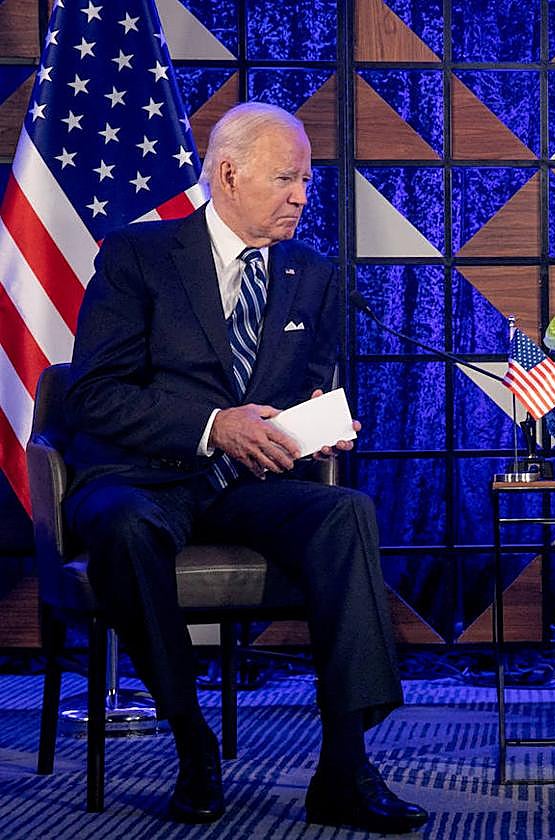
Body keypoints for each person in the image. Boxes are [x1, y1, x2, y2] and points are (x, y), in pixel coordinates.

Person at [63, 102, 428, 834]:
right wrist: (211, 426)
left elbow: (298, 394)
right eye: (287, 178)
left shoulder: (312, 273)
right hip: (142, 479)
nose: (302, 195)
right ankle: (191, 738)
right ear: (228, 174)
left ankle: (346, 766)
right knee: (124, 529)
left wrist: (312, 428)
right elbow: (93, 396)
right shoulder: (138, 257)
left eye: (306, 180)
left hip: (248, 486)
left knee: (345, 512)